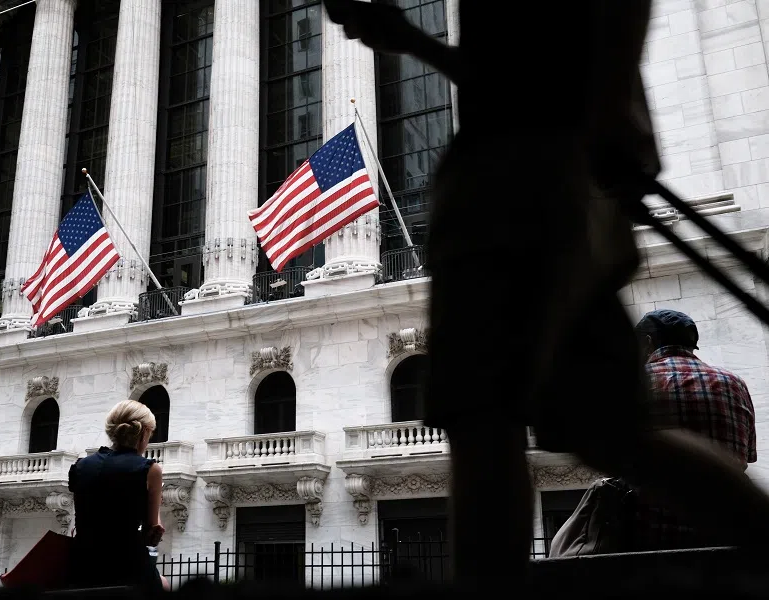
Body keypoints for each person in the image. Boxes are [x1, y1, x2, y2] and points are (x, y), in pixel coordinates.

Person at [324, 0, 769, 590]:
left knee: (485, 425)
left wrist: (610, 107)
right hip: (549, 174)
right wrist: (412, 39)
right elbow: (508, 81)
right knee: (609, 431)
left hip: (507, 186)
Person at [632, 309, 758, 550]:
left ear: (647, 342)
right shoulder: (734, 384)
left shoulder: (636, 385)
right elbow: (747, 457)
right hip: (728, 537)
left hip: (653, 543)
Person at [67, 400, 168, 594]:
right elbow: (151, 534)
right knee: (164, 584)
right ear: (145, 431)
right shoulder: (149, 469)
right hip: (127, 565)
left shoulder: (80, 466)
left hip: (82, 566)